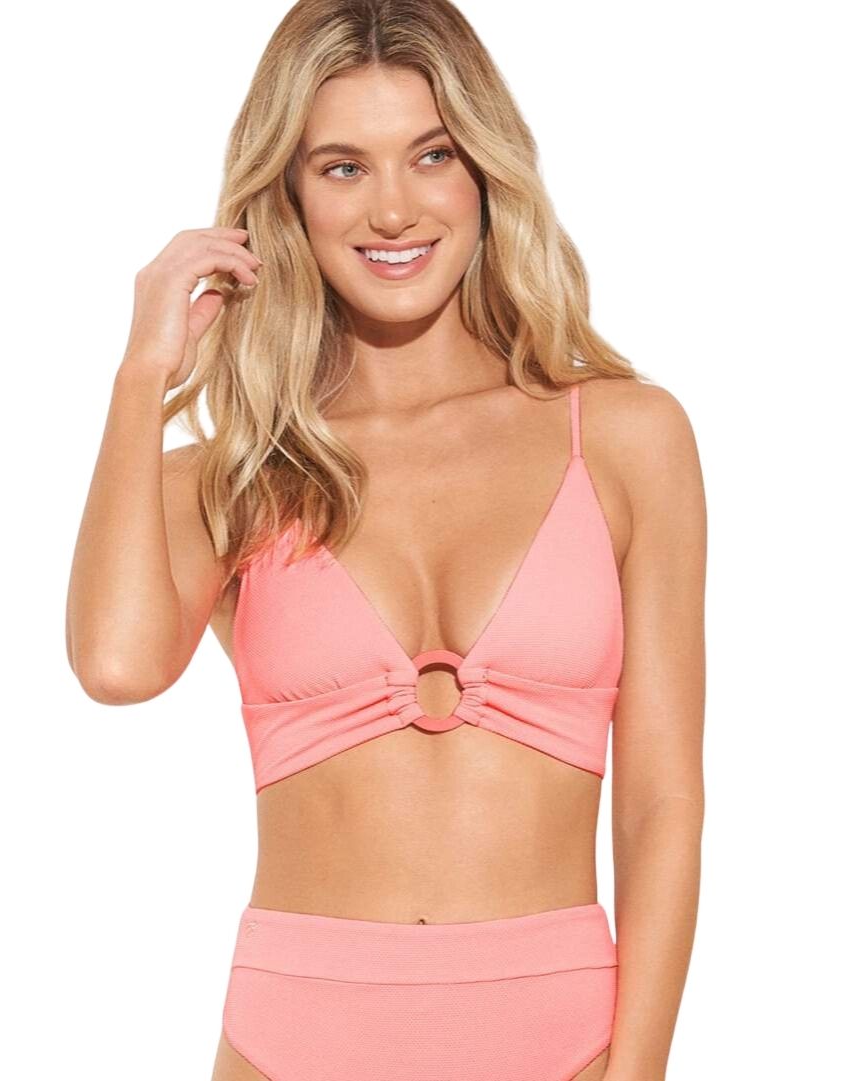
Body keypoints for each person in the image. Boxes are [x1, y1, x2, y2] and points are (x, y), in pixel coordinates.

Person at [65, 2, 706, 1079]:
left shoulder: (625, 437)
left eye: (432, 154)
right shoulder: (240, 473)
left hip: (565, 1042)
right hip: (288, 1042)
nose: (395, 208)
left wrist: (637, 1070)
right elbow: (116, 665)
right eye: (343, 167)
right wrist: (142, 377)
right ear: (288, 196)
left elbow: (661, 802)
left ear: (485, 171)